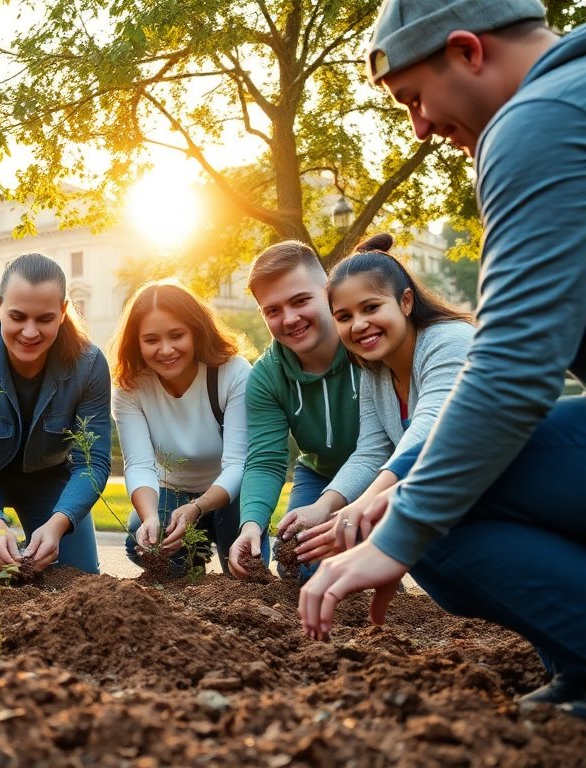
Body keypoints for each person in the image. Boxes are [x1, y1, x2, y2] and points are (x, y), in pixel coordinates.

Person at [299, 0, 586, 718]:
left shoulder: (538, 120)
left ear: (468, 50)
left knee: (434, 516)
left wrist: (396, 529)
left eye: (413, 100)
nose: (421, 128)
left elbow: (514, 365)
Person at [295, 234, 473, 563]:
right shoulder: (375, 371)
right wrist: (324, 506)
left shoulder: (448, 341)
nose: (359, 324)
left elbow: (433, 426)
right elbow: (371, 452)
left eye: (371, 307)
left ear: (406, 302)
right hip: (451, 502)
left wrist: (369, 501)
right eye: (344, 316)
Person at [0, 253, 110, 575]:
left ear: (62, 313)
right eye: (17, 316)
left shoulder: (90, 364)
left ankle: (26, 554)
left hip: (49, 476)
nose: (30, 332)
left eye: (44, 319)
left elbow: (93, 462)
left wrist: (58, 524)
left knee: (77, 574)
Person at [227, 241, 364, 581]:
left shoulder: (366, 344)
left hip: (383, 474)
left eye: (301, 300)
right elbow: (266, 459)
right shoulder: (266, 376)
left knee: (365, 558)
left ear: (328, 292)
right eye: (272, 310)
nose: (290, 319)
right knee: (305, 566)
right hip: (319, 473)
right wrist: (251, 525)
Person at [111, 281, 251, 575]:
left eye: (177, 335)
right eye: (151, 340)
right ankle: (190, 568)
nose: (165, 350)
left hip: (229, 493)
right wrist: (150, 517)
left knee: (244, 568)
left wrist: (197, 508)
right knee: (144, 545)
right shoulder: (130, 388)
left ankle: (220, 548)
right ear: (136, 342)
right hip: (172, 490)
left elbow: (239, 464)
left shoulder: (233, 373)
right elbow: (139, 465)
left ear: (196, 332)